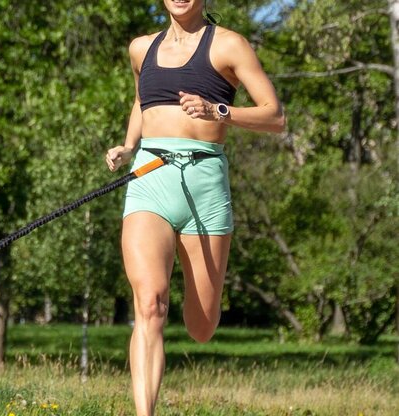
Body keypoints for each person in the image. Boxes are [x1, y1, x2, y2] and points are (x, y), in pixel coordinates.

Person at [104, 1, 285, 415]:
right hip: (150, 179)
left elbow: (275, 116)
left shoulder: (229, 46)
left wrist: (218, 110)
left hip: (205, 182)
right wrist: (128, 145)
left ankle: (204, 304)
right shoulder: (141, 48)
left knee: (201, 326)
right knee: (149, 303)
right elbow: (140, 100)